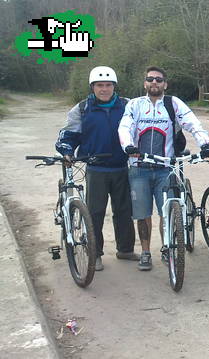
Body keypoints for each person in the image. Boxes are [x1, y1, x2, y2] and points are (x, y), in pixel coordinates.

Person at [118, 66, 209, 271]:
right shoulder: (135, 105)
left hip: (166, 168)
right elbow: (125, 127)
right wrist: (127, 145)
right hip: (139, 167)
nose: (154, 83)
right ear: (145, 83)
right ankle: (145, 252)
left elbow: (193, 124)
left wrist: (205, 143)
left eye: (159, 80)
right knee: (143, 214)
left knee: (167, 212)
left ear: (165, 84)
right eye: (150, 79)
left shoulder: (173, 104)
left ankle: (166, 247)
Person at [55, 66, 138, 271]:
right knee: (95, 213)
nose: (104, 89)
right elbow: (68, 134)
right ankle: (96, 253)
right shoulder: (82, 108)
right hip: (96, 169)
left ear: (114, 86)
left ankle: (125, 249)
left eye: (108, 85)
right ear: (92, 87)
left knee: (124, 211)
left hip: (122, 167)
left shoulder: (127, 105)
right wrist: (66, 152)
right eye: (99, 85)